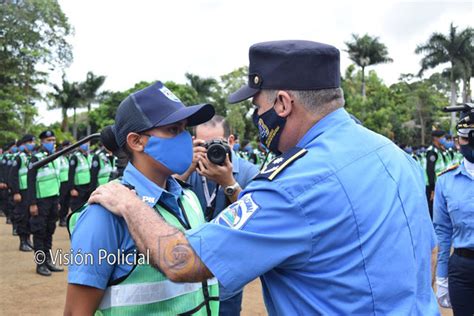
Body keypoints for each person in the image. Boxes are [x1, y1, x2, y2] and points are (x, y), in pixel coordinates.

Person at [89, 40, 439, 315]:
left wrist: (129, 203)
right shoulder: (393, 155)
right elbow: (432, 249)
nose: (257, 117)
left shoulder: (293, 183)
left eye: (257, 107)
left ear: (283, 104)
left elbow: (180, 260)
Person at [64, 81, 219, 315]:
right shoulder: (104, 214)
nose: (185, 139)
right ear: (136, 141)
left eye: (185, 129)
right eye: (173, 130)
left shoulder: (188, 198)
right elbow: (77, 312)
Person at [176, 115, 258, 315]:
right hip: (187, 281)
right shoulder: (185, 170)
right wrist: (185, 172)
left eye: (217, 143)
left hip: (227, 281)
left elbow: (257, 222)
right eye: (203, 144)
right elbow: (164, 205)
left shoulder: (249, 173)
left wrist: (229, 184)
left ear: (230, 142)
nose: (211, 150)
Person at [433, 111, 474, 315]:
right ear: (458, 142)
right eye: (467, 137)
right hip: (462, 268)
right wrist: (441, 276)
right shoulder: (446, 181)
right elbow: (443, 232)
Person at [27, 130, 64, 276]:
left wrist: (58, 200)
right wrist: (32, 203)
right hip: (40, 201)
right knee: (39, 232)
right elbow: (30, 181)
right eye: (49, 140)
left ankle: (48, 260)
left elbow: (56, 179)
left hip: (53, 199)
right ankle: (40, 264)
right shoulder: (35, 157)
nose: (52, 143)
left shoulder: (53, 157)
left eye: (53, 140)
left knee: (49, 231)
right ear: (42, 142)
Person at [9, 135, 36, 251]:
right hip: (22, 191)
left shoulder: (32, 157)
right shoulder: (19, 158)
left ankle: (28, 240)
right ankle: (22, 241)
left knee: (29, 216)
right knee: (22, 216)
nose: (32, 144)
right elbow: (12, 176)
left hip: (29, 190)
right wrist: (16, 192)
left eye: (32, 142)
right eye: (29, 142)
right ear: (24, 144)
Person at [67, 142, 99, 212]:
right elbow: (71, 173)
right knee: (77, 207)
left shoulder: (90, 156)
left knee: (86, 206)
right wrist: (72, 188)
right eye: (84, 143)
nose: (86, 145)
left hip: (88, 186)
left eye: (88, 143)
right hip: (78, 187)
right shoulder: (75, 157)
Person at [425, 129, 449, 218]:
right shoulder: (432, 151)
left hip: (441, 185)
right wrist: (433, 189)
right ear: (435, 138)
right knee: (434, 213)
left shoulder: (439, 150)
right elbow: (430, 171)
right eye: (442, 137)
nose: (444, 139)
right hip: (434, 187)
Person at [56, 140, 71, 227]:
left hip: (67, 182)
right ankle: (60, 218)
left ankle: (64, 217)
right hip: (61, 183)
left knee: (66, 202)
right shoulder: (58, 158)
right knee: (61, 201)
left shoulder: (67, 158)